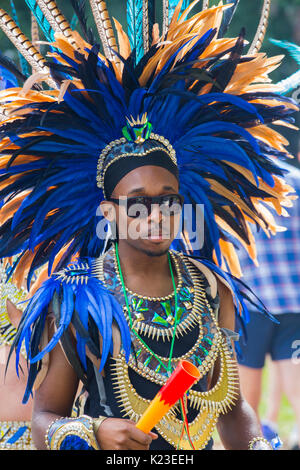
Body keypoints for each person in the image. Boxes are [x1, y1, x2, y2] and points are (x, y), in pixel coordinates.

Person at [0, 0, 297, 451]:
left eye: (168, 199)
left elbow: (232, 407)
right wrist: (94, 433)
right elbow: (45, 418)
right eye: (137, 203)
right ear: (108, 213)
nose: (156, 214)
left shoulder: (211, 288)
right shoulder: (78, 299)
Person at [237, 162, 300, 450]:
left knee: (246, 396)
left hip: (253, 301)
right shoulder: (296, 181)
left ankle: (251, 444)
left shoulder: (241, 184)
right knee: (297, 385)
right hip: (294, 300)